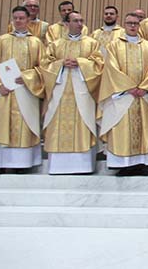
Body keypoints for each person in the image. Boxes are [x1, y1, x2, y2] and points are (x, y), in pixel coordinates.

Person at [0, 6, 45, 174]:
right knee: (2, 126)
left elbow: (43, 69)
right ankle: (0, 163)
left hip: (26, 93)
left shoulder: (36, 43)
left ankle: (23, 164)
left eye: (22, 18)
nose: (18, 21)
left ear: (28, 20)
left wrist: (27, 78)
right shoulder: (1, 41)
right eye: (16, 18)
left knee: (24, 128)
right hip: (5, 93)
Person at [41, 11, 104, 174]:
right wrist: (61, 64)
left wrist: (81, 63)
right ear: (67, 24)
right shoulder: (56, 44)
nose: (80, 23)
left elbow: (98, 64)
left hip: (83, 92)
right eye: (75, 21)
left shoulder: (91, 43)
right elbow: (45, 65)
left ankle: (83, 166)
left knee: (83, 123)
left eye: (81, 20)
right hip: (60, 92)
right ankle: (58, 166)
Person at [98, 13, 148, 176]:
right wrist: (129, 88)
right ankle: (123, 165)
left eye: (136, 23)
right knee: (122, 130)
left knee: (142, 130)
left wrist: (144, 87)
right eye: (129, 23)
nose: (132, 26)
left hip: (142, 96)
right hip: (123, 96)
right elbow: (111, 68)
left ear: (139, 26)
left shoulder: (147, 46)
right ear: (124, 25)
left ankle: (141, 164)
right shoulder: (114, 45)